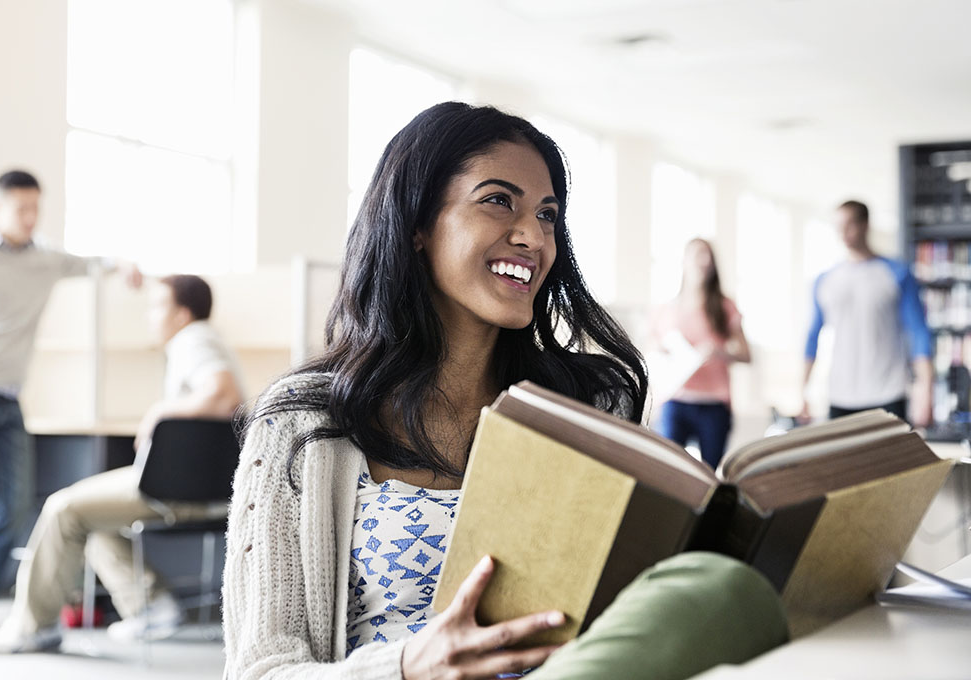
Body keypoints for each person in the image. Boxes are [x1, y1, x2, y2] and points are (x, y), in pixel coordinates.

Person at [222, 103, 787, 680]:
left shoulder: (590, 405)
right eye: (498, 200)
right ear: (417, 224)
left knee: (731, 590)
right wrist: (409, 665)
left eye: (548, 216)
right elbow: (259, 671)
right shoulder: (304, 422)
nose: (533, 237)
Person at [0, 170, 142, 605]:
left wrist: (123, 265)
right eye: (21, 209)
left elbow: (89, 264)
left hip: (11, 398)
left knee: (14, 507)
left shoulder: (46, 259)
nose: (31, 218)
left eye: (36, 208)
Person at [0, 274, 245, 653]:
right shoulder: (202, 339)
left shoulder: (194, 339)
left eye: (157, 307)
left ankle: (33, 625)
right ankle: (151, 604)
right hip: (204, 483)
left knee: (63, 508)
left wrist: (160, 411)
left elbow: (224, 395)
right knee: (88, 518)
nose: (150, 317)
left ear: (183, 314)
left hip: (185, 487)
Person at [802, 200, 933, 426]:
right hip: (840, 395)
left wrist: (926, 390)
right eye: (839, 226)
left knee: (895, 462)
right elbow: (812, 337)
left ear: (865, 225)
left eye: (850, 224)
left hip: (888, 393)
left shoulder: (897, 274)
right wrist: (803, 392)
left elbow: (919, 332)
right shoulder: (825, 281)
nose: (843, 232)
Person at [649, 238, 751, 468]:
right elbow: (650, 348)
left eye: (708, 256)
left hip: (713, 404)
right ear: (684, 261)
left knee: (710, 472)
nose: (704, 261)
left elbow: (746, 355)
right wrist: (661, 351)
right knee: (667, 469)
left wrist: (721, 352)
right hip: (676, 400)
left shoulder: (725, 307)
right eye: (698, 255)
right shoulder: (665, 309)